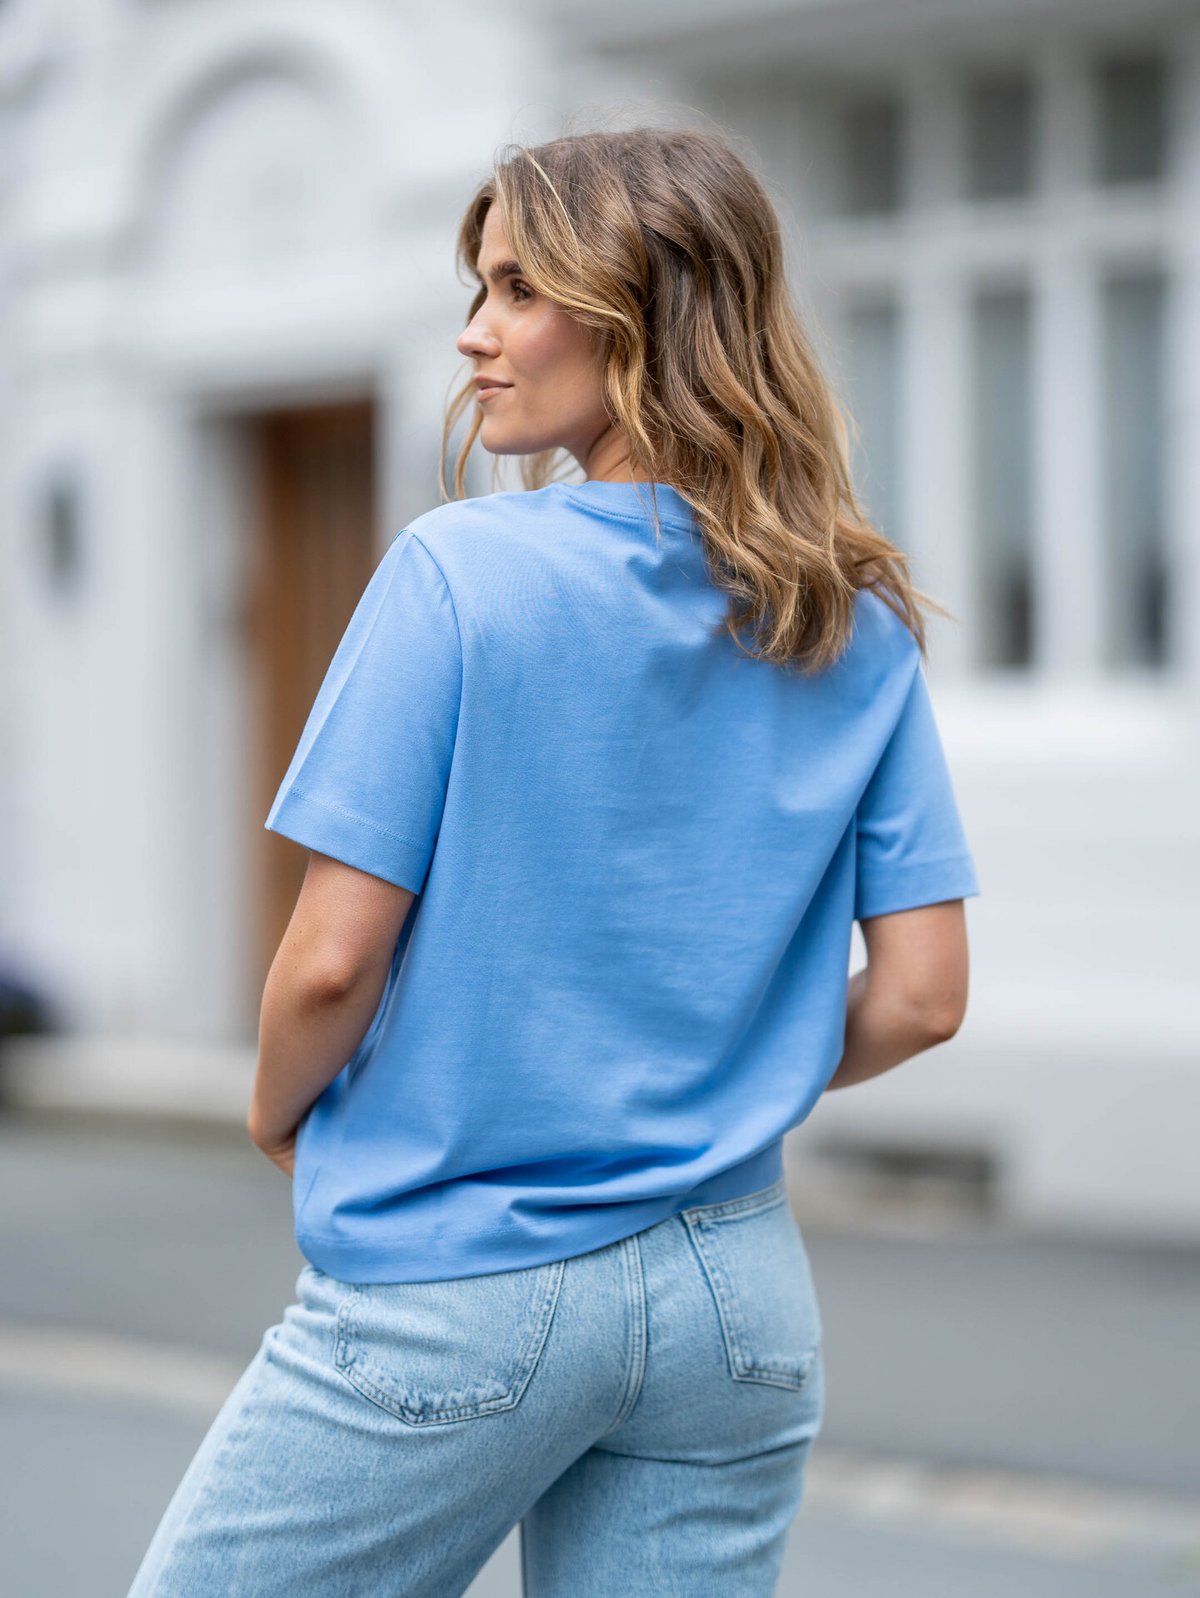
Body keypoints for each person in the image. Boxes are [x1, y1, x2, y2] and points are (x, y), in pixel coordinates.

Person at [126, 126, 980, 1598]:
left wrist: (280, 1114)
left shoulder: (457, 577)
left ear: (643, 313)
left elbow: (332, 958)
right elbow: (921, 995)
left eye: (520, 287)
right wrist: (715, 1064)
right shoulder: (855, 619)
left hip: (463, 1282)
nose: (475, 332)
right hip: (738, 1300)